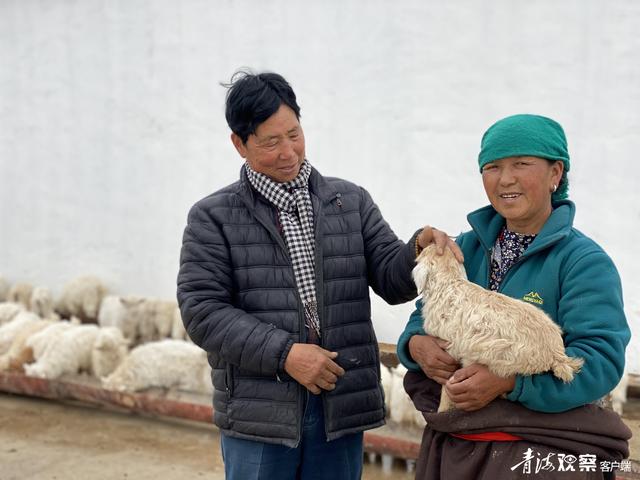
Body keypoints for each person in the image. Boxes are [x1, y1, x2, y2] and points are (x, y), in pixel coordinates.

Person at [176, 70, 460, 480]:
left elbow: (390, 278)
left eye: (294, 134)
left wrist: (417, 248)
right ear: (239, 144)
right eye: (271, 142)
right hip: (262, 413)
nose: (288, 151)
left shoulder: (350, 201)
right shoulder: (213, 217)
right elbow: (202, 311)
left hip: (339, 401)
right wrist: (286, 355)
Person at [396, 114, 632, 480]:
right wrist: (417, 346)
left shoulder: (583, 262)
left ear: (556, 173)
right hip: (456, 447)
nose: (505, 179)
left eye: (521, 164)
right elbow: (422, 316)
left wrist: (510, 382)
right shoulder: (468, 248)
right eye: (492, 166)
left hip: (539, 456)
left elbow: (599, 362)